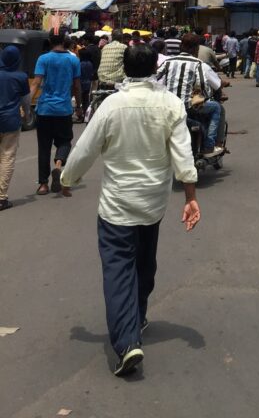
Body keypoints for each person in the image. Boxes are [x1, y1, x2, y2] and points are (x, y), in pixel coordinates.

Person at [61, 44, 200, 377]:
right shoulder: (170, 104)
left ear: (124, 68)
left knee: (119, 268)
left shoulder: (112, 105)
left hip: (117, 205)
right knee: (144, 264)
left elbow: (84, 149)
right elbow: (183, 155)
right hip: (152, 204)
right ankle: (134, 318)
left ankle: (126, 341)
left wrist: (67, 177)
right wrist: (191, 196)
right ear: (155, 67)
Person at [155, 34, 223, 157]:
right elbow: (202, 84)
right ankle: (209, 146)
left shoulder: (168, 62)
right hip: (188, 107)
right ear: (196, 49)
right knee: (216, 107)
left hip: (169, 106)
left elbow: (154, 78)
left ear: (181, 47)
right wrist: (205, 97)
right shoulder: (198, 64)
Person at [31, 33, 82, 195]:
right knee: (65, 141)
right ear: (65, 43)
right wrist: (79, 105)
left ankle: (43, 185)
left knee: (44, 147)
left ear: (50, 43)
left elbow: (36, 83)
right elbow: (76, 85)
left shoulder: (43, 59)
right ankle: (58, 164)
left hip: (44, 109)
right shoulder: (73, 60)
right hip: (64, 109)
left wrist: (25, 104)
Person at [0, 46, 31, 211]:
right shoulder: (21, 77)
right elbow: (26, 101)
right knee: (7, 157)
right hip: (11, 122)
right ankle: (1, 198)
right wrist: (27, 115)